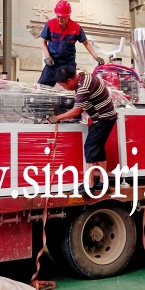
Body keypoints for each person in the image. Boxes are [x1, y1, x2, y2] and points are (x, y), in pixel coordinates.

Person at [47, 66, 117, 194]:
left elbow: (76, 111)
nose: (64, 88)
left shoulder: (83, 86)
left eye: (63, 86)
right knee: (98, 149)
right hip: (105, 117)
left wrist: (56, 118)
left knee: (90, 148)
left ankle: (89, 185)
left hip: (103, 118)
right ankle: (103, 182)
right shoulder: (83, 77)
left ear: (69, 80)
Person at [38, 0, 105, 87]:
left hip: (68, 64)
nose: (60, 19)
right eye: (58, 16)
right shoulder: (50, 24)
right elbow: (43, 42)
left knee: (72, 86)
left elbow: (86, 43)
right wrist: (48, 57)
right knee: (42, 87)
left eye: (63, 17)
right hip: (53, 62)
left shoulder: (76, 28)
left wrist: (96, 57)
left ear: (68, 16)